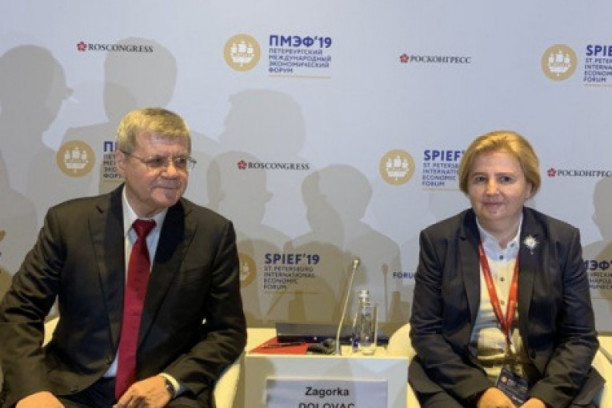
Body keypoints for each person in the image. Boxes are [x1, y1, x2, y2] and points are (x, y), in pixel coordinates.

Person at [0, 107, 247, 408]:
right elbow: (20, 311)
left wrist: (170, 381)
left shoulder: (212, 233)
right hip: (71, 389)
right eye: (156, 161)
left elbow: (227, 331)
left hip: (161, 394)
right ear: (121, 162)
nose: (172, 173)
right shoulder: (68, 223)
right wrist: (32, 390)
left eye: (181, 161)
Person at [409, 131, 604, 408]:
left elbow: (579, 336)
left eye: (505, 179)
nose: (491, 190)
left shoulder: (561, 240)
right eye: (480, 179)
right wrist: (480, 393)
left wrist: (543, 399)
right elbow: (426, 333)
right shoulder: (439, 241)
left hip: (543, 382)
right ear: (467, 187)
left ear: (529, 187)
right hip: (462, 385)